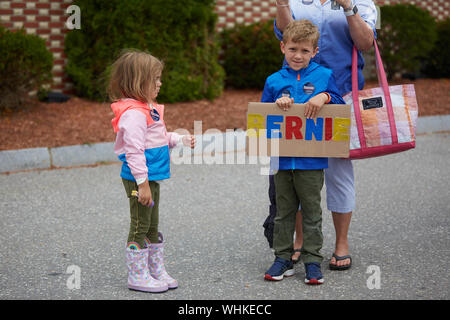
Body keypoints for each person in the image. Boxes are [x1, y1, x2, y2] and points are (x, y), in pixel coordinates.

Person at [266, 0, 377, 270]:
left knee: (339, 171)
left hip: (340, 93)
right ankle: (300, 242)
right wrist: (282, 5)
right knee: (297, 170)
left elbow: (365, 43)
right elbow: (285, 32)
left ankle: (341, 244)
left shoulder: (362, 1)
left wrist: (349, 7)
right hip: (295, 97)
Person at [263, 19, 346, 284]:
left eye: (305, 51)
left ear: (315, 51)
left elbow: (340, 103)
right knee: (283, 212)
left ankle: (312, 260)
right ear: (282, 47)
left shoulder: (324, 76)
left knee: (311, 212)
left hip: (312, 161)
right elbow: (262, 115)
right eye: (293, 49)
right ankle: (283, 258)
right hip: (283, 161)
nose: (298, 55)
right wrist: (277, 104)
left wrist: (325, 97)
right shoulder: (274, 80)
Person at [108, 50, 196, 293]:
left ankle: (154, 270)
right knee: (140, 226)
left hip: (151, 177)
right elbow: (134, 150)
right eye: (155, 79)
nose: (160, 83)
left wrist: (179, 139)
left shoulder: (147, 108)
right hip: (141, 179)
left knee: (152, 225)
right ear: (138, 82)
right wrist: (142, 184)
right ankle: (137, 275)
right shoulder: (134, 114)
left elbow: (157, 137)